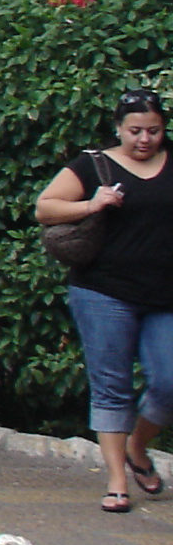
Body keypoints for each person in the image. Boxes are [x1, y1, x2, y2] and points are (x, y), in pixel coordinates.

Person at [34, 87, 173, 512]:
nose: (144, 139)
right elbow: (45, 208)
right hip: (103, 290)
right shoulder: (94, 165)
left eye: (153, 131)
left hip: (165, 294)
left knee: (168, 382)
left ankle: (137, 446)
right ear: (119, 129)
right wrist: (92, 205)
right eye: (135, 131)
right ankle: (116, 482)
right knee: (112, 385)